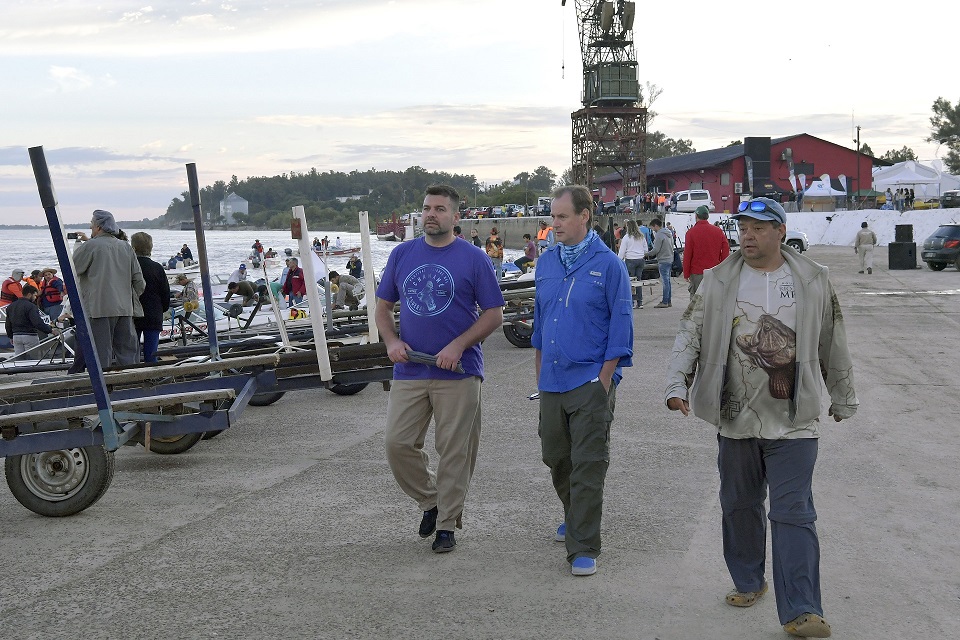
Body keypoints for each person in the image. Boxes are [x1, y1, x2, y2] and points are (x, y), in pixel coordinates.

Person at [664, 197, 858, 639]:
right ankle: (750, 580)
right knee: (739, 505)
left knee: (793, 513)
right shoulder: (716, 281)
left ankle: (803, 609)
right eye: (742, 228)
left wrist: (843, 395)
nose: (746, 236)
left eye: (757, 228)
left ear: (779, 231)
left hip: (795, 419)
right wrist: (677, 385)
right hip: (736, 416)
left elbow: (833, 338)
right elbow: (689, 335)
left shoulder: (813, 280)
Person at [375, 184, 504, 554]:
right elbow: (383, 308)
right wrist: (391, 341)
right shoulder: (402, 254)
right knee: (397, 444)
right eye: (427, 208)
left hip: (459, 371)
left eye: (440, 209)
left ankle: (447, 525)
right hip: (410, 369)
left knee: (454, 452)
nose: (432, 214)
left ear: (456, 216)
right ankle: (431, 501)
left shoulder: (473, 258)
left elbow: (494, 314)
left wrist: (459, 344)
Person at [533, 184, 633, 577]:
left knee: (588, 463)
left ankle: (583, 545)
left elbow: (622, 326)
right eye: (552, 217)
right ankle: (575, 515)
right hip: (552, 380)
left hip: (591, 380)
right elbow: (540, 324)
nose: (554, 224)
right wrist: (540, 375)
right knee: (556, 456)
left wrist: (604, 379)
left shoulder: (609, 265)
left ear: (583, 216)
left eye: (561, 217)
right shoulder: (547, 263)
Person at [71, 209, 145, 367]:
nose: (90, 228)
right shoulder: (126, 248)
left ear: (98, 226)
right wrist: (128, 298)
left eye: (91, 224)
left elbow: (72, 271)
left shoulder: (90, 246)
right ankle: (130, 384)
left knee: (100, 354)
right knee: (128, 353)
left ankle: (105, 388)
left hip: (98, 309)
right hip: (124, 309)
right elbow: (139, 282)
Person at [131, 232, 171, 363]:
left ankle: (132, 377)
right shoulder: (157, 268)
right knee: (152, 352)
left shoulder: (130, 267)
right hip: (154, 314)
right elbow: (165, 293)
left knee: (131, 351)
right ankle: (151, 377)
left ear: (133, 247)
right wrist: (163, 309)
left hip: (133, 313)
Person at [683, 204, 731, 295]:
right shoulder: (718, 231)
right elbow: (725, 249)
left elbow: (687, 254)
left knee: (696, 302)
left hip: (697, 272)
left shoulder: (691, 233)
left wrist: (686, 273)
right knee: (713, 300)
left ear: (696, 216)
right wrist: (721, 266)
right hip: (714, 272)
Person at [5, 284, 60, 356]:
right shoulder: (31, 306)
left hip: (16, 337)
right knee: (32, 360)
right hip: (29, 336)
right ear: (29, 294)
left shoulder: (11, 306)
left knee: (19, 360)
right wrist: (50, 330)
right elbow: (37, 323)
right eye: (35, 296)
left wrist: (10, 336)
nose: (35, 298)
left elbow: (8, 324)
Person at [617, 219, 649, 308]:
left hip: (630, 260)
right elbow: (646, 249)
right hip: (640, 260)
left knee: (630, 282)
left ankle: (631, 302)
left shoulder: (626, 237)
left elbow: (622, 252)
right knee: (638, 281)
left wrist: (618, 261)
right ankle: (640, 302)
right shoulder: (641, 236)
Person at [644, 218, 674, 308]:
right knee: (668, 281)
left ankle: (664, 301)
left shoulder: (659, 235)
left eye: (653, 228)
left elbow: (656, 249)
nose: (653, 230)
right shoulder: (668, 233)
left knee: (665, 282)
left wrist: (646, 254)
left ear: (656, 226)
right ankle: (668, 301)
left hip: (663, 260)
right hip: (670, 258)